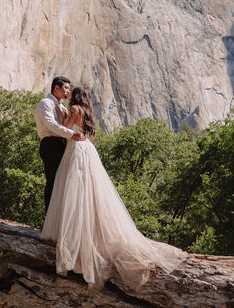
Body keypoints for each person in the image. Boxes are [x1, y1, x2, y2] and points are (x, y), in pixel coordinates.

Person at [40, 86, 187, 288]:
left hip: (76, 150)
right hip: (87, 149)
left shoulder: (74, 109)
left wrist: (64, 116)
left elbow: (65, 130)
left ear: (75, 96)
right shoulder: (85, 111)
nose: (69, 94)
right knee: (89, 191)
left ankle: (77, 238)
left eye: (71, 92)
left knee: (77, 191)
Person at [34, 76, 84, 211]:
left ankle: (60, 219)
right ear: (57, 87)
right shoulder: (45, 103)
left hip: (63, 145)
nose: (68, 91)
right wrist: (72, 134)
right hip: (50, 144)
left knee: (64, 183)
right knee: (53, 182)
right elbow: (51, 125)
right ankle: (49, 220)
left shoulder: (62, 107)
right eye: (66, 88)